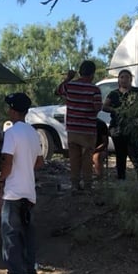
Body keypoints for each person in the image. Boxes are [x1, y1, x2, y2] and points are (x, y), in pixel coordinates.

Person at [0, 92, 44, 274]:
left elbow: (7, 161)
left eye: (9, 108)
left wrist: (0, 178)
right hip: (29, 192)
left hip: (13, 191)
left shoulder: (12, 133)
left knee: (11, 236)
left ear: (13, 110)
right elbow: (39, 162)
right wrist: (26, 167)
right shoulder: (32, 132)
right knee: (27, 236)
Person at [56, 61, 102, 190]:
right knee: (87, 158)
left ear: (80, 72)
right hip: (88, 130)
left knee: (74, 158)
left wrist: (68, 77)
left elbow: (57, 91)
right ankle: (87, 184)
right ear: (92, 74)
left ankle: (75, 185)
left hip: (72, 129)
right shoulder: (95, 89)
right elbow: (97, 108)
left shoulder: (69, 86)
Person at [103, 69, 138, 181]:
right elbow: (104, 107)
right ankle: (121, 179)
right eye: (122, 77)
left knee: (135, 154)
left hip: (134, 128)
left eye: (126, 77)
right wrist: (115, 110)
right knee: (120, 155)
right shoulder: (113, 94)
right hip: (117, 128)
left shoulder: (137, 92)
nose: (124, 79)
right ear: (119, 79)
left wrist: (134, 109)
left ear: (131, 79)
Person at [92, 118, 109, 183]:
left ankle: (99, 178)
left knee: (97, 157)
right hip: (86, 147)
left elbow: (105, 142)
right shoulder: (83, 123)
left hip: (99, 149)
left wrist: (95, 150)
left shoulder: (101, 124)